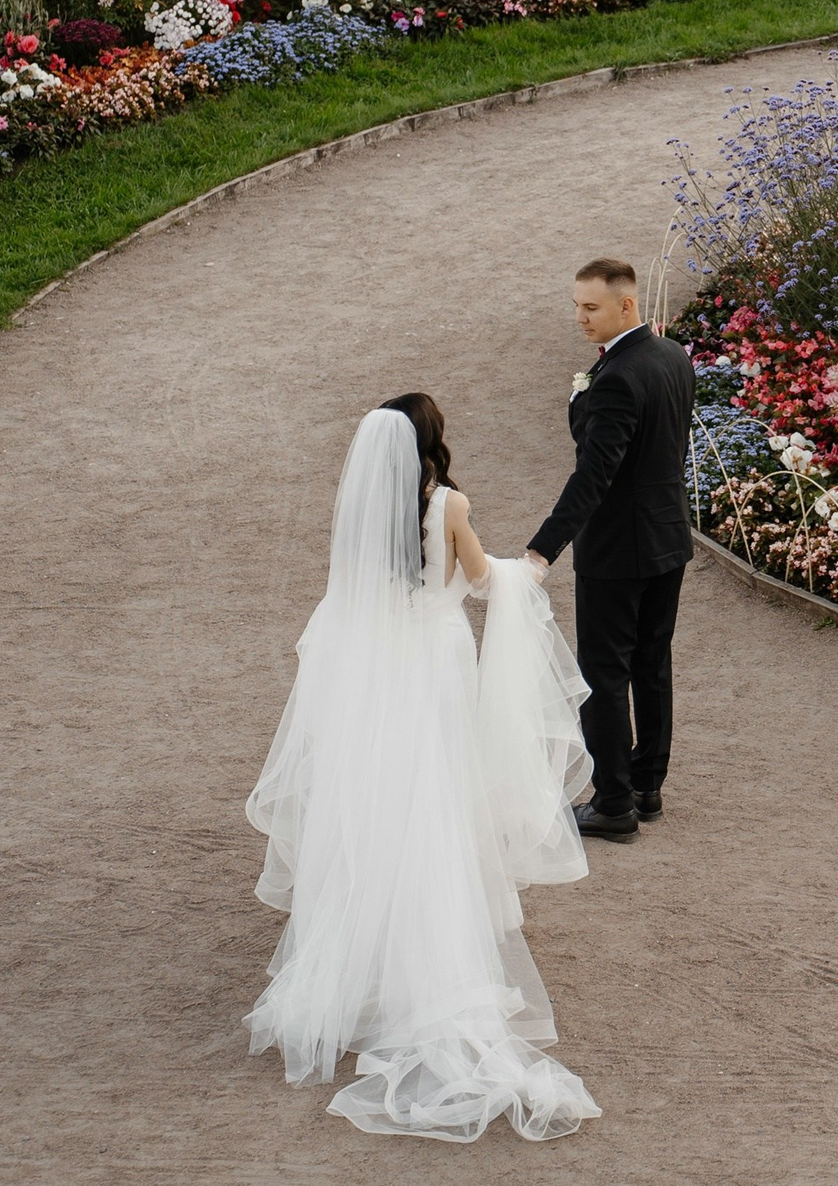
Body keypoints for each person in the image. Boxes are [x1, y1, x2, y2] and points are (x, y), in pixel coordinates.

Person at [245, 395, 599, 1143]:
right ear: (431, 440)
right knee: (436, 799)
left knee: (380, 799)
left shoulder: (363, 515)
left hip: (379, 675)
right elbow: (476, 582)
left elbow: (357, 598)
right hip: (435, 667)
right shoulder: (449, 504)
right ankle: (435, 973)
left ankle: (359, 967)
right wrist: (519, 574)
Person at [524, 257, 696, 843]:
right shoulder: (673, 356)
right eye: (576, 305)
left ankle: (614, 802)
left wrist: (543, 549)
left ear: (627, 305)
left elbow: (594, 474)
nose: (579, 317)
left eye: (590, 307)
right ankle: (647, 787)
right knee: (653, 665)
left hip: (618, 551)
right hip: (668, 538)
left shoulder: (617, 376)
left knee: (603, 674)